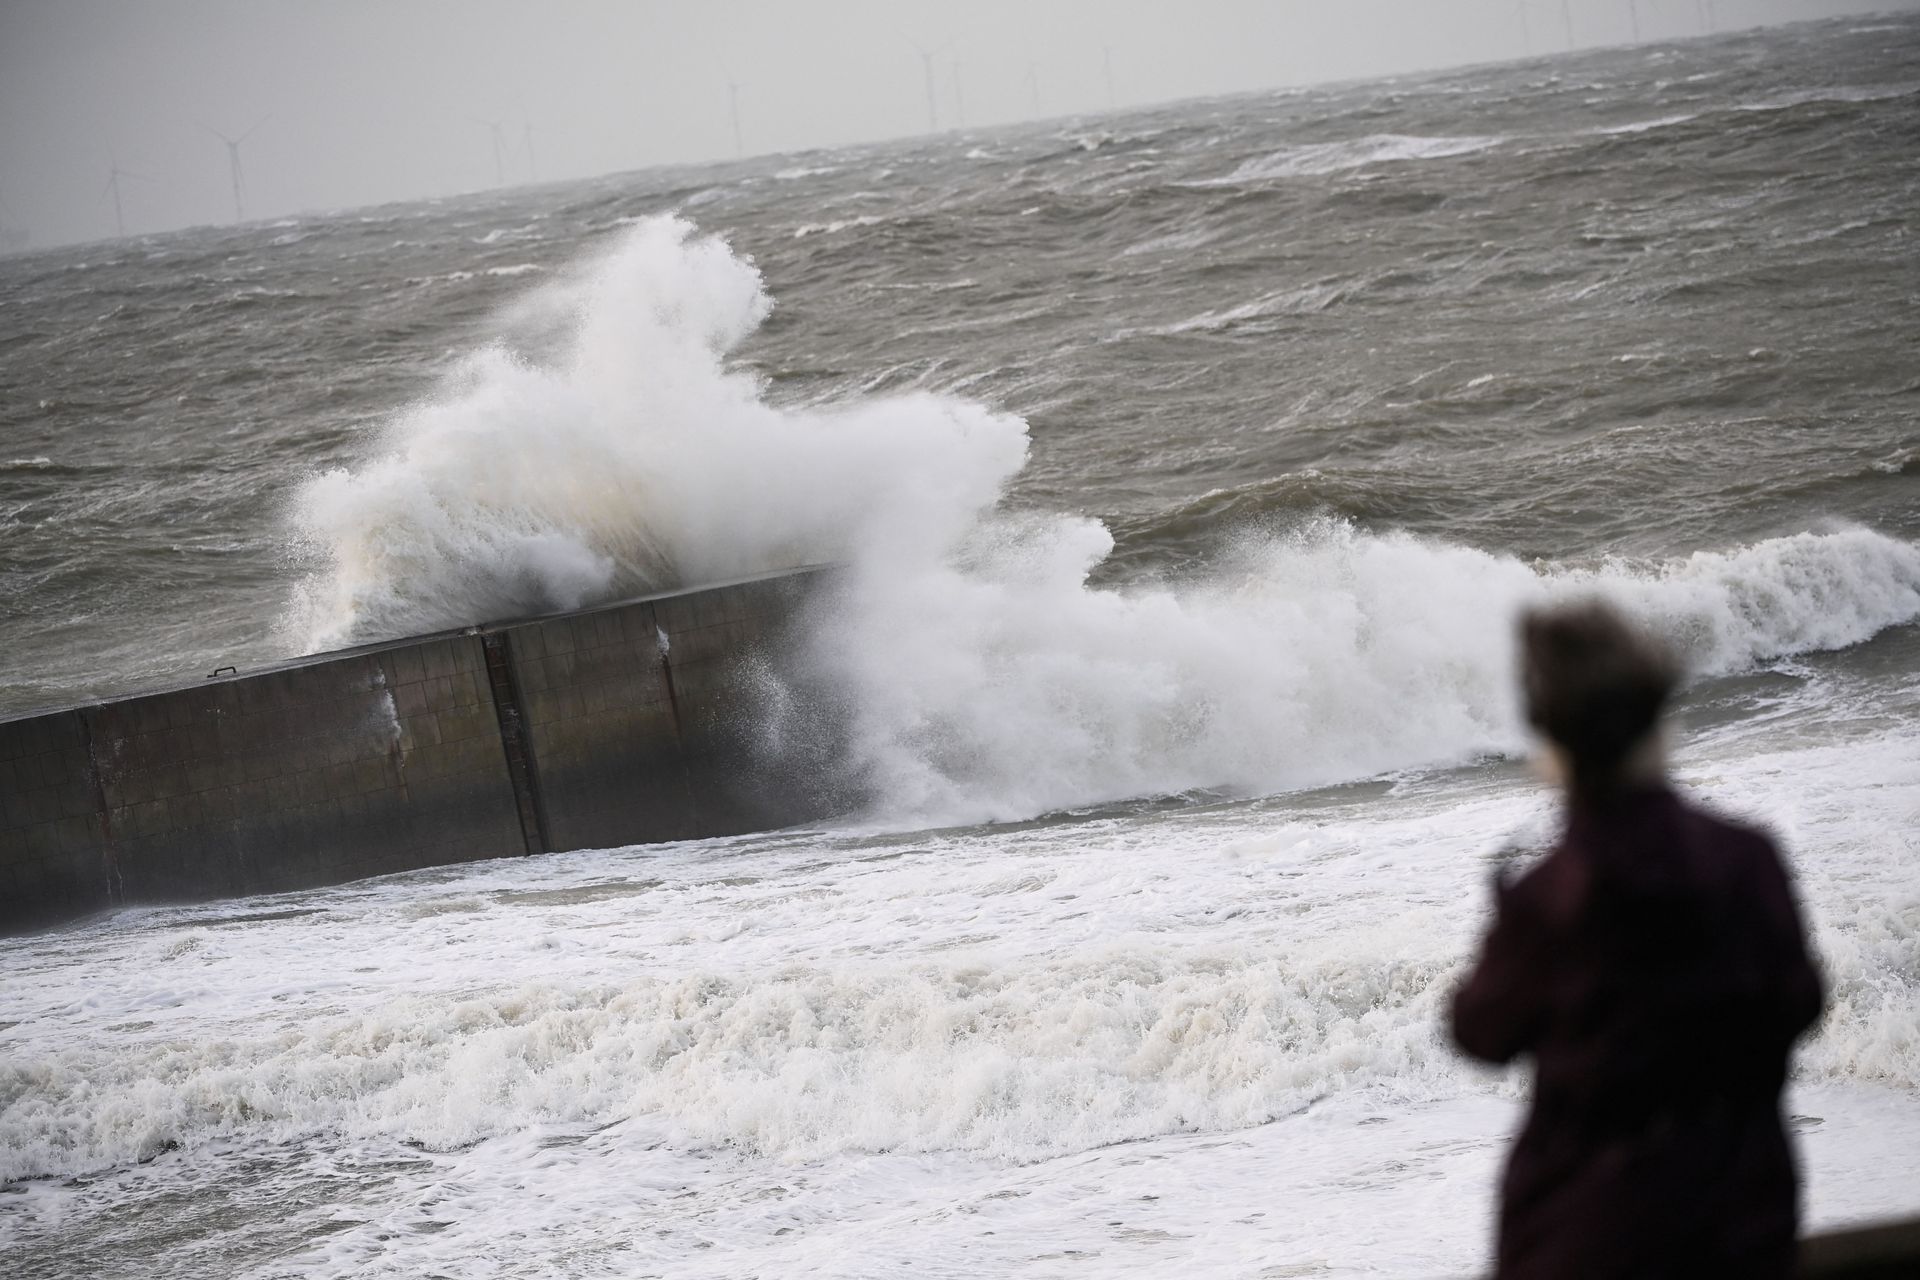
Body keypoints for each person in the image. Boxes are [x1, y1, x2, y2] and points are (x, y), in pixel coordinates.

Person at [1451, 599, 1825, 1279]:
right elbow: (1800, 1004)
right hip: (1743, 1223)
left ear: (1555, 748)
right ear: (1657, 722)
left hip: (1583, 1235)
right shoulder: (1748, 860)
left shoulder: (1548, 899)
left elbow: (1480, 1033)